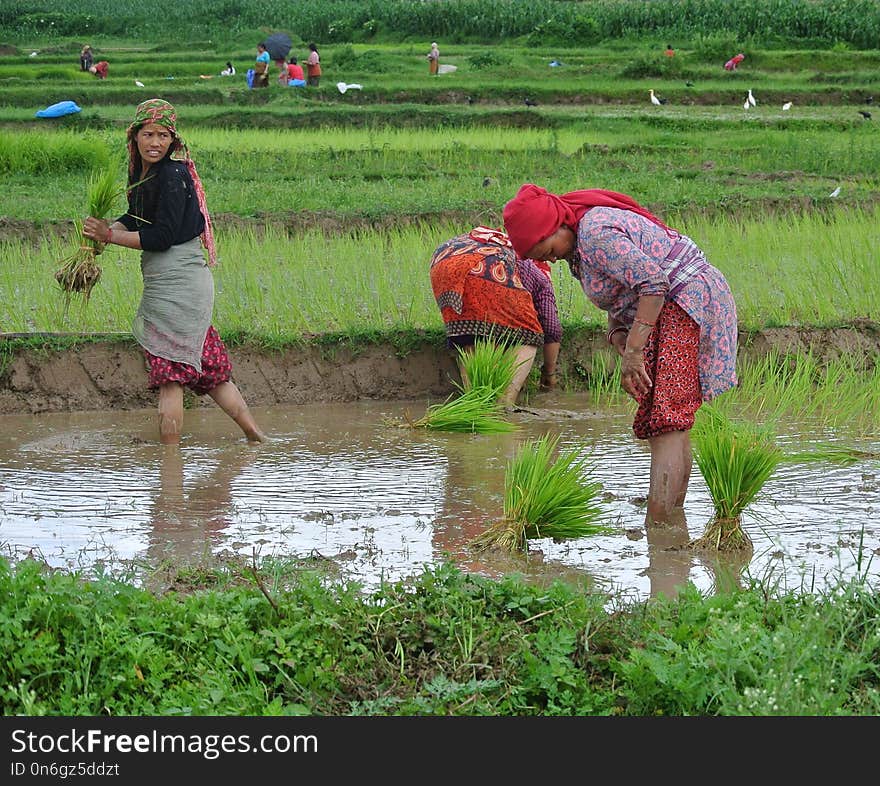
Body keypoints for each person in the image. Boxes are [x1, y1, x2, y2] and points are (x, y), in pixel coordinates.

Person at [502, 184, 738, 524]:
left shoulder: (596, 233)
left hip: (683, 302)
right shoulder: (579, 250)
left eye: (545, 248)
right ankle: (671, 523)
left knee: (667, 422)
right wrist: (617, 334)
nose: (547, 259)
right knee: (671, 422)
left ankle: (659, 527)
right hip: (670, 308)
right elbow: (623, 293)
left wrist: (634, 352)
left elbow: (654, 282)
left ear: (556, 226)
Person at [81, 98, 266, 446]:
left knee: (170, 377)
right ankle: (256, 438)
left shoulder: (172, 175)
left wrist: (110, 236)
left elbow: (161, 237)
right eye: (148, 134)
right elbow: (138, 217)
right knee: (210, 374)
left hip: (179, 284)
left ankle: (170, 462)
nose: (155, 142)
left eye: (163, 136)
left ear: (173, 142)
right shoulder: (141, 173)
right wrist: (107, 228)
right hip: (176, 284)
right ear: (134, 137)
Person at [429, 225, 562, 406]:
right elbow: (551, 328)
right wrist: (549, 373)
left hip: (445, 261)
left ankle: (475, 406)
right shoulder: (539, 274)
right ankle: (504, 404)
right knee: (529, 334)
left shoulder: (509, 247)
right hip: (489, 263)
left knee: (469, 330)